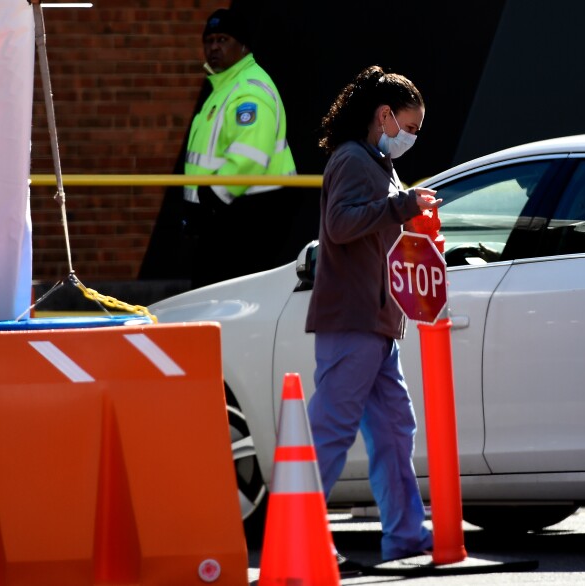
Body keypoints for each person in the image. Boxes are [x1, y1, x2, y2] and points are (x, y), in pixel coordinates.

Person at [305, 65, 440, 565]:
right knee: (333, 432)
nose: (412, 136)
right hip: (356, 321)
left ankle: (406, 534)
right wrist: (400, 207)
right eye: (409, 126)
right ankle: (300, 533)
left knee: (392, 429)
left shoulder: (373, 163)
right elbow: (341, 225)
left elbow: (370, 227)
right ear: (384, 116)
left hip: (375, 323)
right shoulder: (355, 160)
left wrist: (403, 210)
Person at [183, 8, 297, 288]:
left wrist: (212, 198)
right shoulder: (225, 87)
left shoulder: (249, 90)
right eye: (209, 41)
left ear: (244, 46)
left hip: (247, 213)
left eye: (223, 40)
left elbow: (250, 156)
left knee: (227, 297)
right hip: (227, 212)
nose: (214, 47)